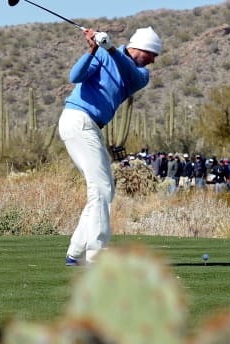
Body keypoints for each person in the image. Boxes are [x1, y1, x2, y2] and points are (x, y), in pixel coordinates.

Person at [59, 26, 161, 266]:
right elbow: (75, 77)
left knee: (104, 191)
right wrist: (93, 50)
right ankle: (97, 254)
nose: (154, 61)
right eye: (152, 54)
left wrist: (110, 48)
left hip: (89, 126)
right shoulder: (103, 54)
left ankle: (76, 252)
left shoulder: (140, 74)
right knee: (101, 189)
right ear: (142, 49)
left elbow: (127, 72)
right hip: (78, 120)